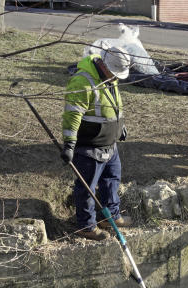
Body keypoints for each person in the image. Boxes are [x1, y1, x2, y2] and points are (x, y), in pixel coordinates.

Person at [61, 47, 134, 241]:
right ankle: (86, 225)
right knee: (87, 188)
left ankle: (109, 215)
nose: (116, 76)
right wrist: (69, 144)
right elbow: (72, 115)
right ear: (104, 64)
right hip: (90, 146)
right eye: (115, 72)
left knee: (112, 179)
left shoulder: (109, 77)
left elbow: (112, 104)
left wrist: (120, 126)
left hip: (110, 143)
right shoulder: (83, 82)